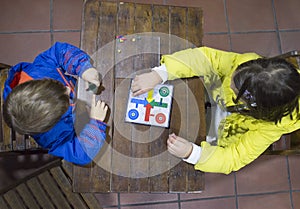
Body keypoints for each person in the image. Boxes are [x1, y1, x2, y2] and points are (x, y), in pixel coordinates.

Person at [131, 46, 300, 174]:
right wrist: (161, 73)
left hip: (222, 130)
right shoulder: (249, 67)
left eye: (234, 90)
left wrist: (193, 153)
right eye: (234, 76)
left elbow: (234, 158)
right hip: (208, 95)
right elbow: (208, 59)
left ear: (255, 106)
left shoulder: (272, 126)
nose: (230, 82)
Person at [3, 42, 108, 166]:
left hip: (85, 97)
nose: (68, 89)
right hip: (83, 121)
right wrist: (94, 123)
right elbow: (82, 155)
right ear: (51, 122)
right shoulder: (50, 138)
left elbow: (59, 52)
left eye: (59, 86)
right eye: (65, 100)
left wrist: (85, 69)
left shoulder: (37, 71)